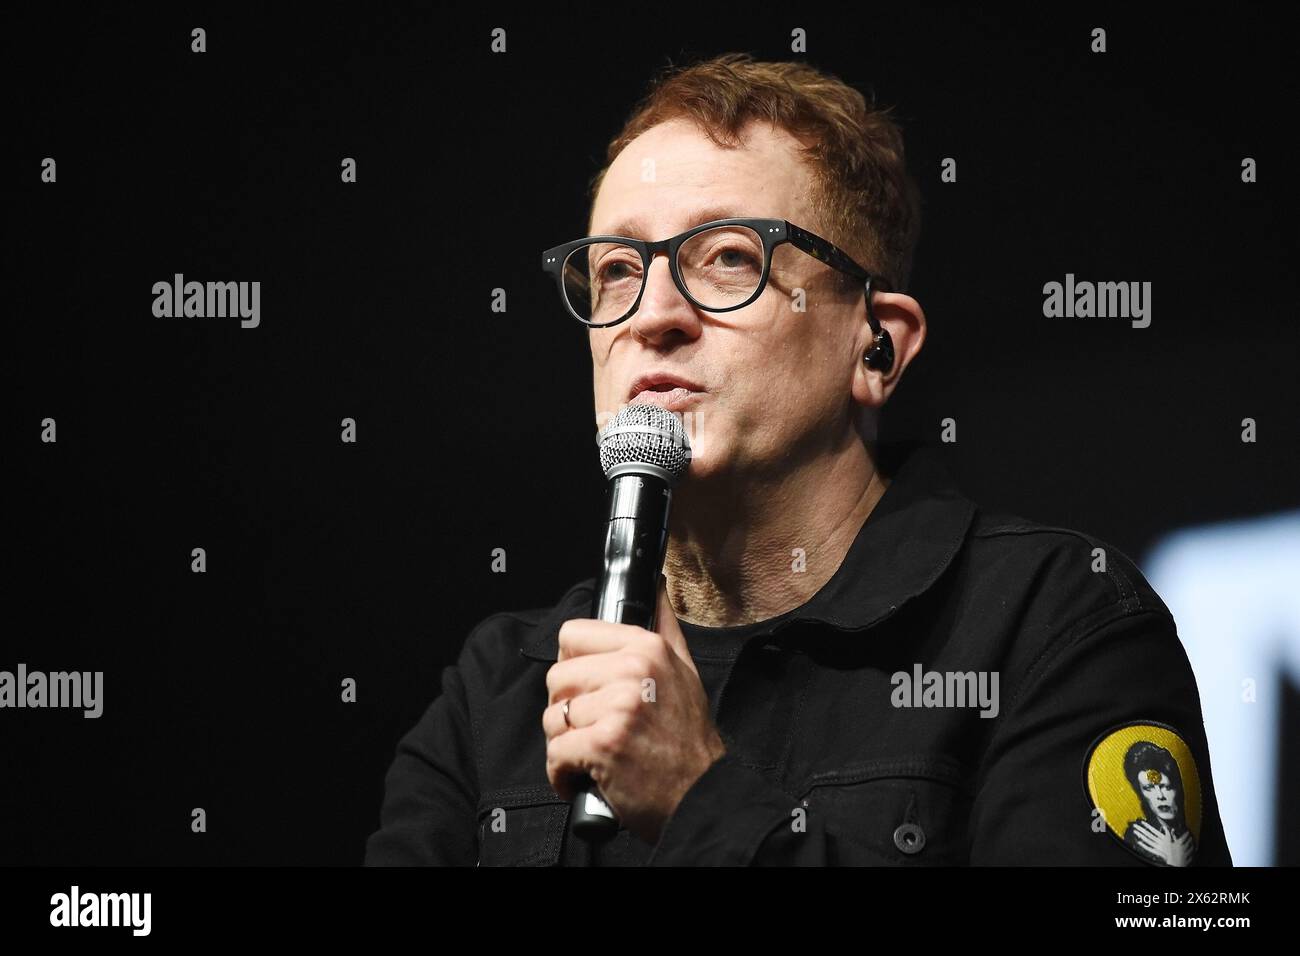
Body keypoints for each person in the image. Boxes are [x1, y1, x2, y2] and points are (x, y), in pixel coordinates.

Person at [364, 52, 1232, 866]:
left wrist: (701, 804)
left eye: (728, 258)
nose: (650, 315)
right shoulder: (502, 687)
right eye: (618, 271)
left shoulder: (1049, 623)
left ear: (876, 345)